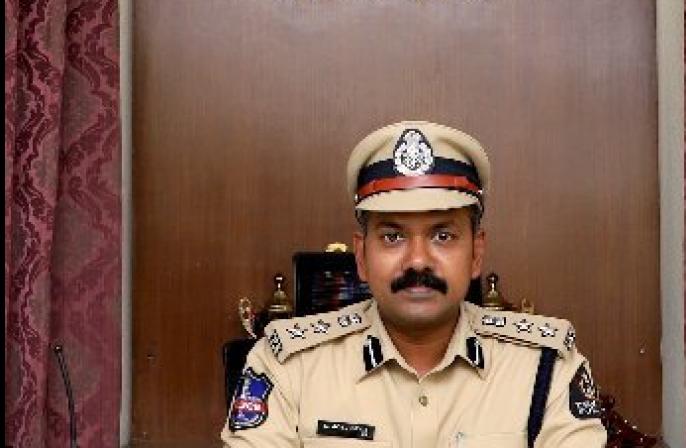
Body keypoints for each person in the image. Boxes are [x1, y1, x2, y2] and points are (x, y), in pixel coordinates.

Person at [221, 121, 607, 447]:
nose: (418, 260)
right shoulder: (288, 364)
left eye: (442, 235)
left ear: (476, 253)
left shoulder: (544, 366)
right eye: (392, 237)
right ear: (361, 256)